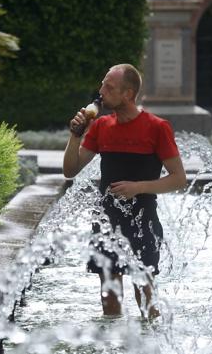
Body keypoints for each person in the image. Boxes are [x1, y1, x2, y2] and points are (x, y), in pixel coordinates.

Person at [63, 64, 187, 320]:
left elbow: (178, 179)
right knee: (109, 304)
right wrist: (75, 136)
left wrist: (138, 187)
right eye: (102, 85)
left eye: (109, 87)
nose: (101, 92)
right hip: (107, 223)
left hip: (143, 221)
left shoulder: (157, 127)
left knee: (146, 303)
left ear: (128, 94)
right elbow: (70, 170)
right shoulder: (100, 126)